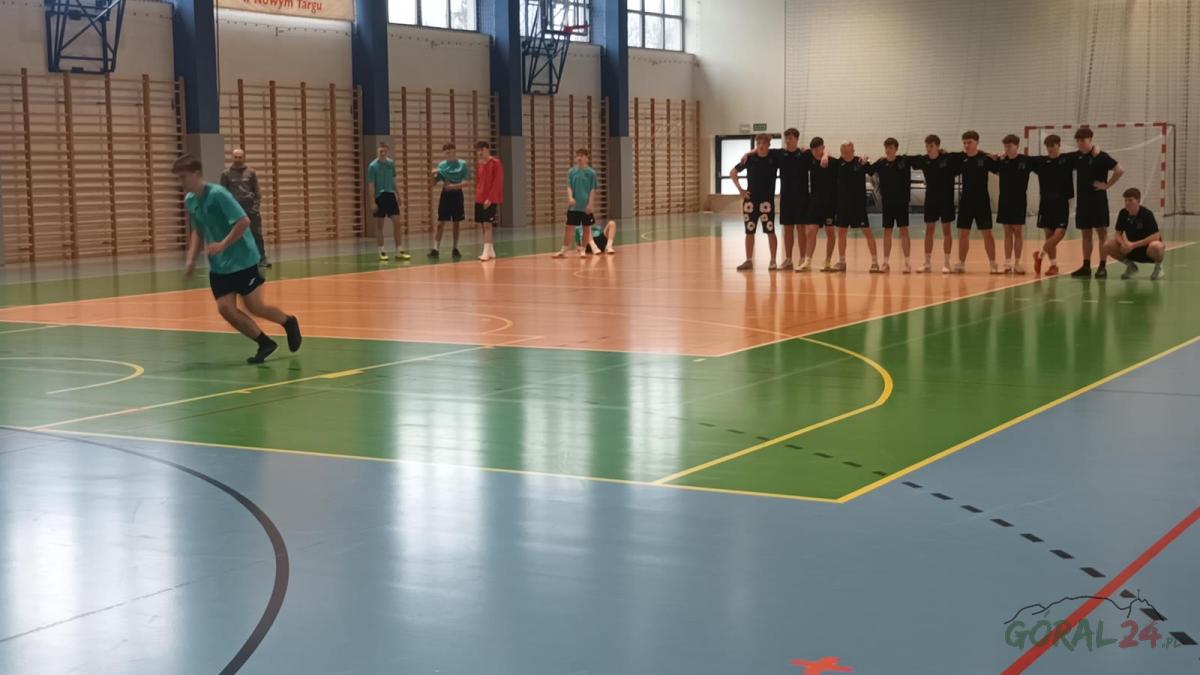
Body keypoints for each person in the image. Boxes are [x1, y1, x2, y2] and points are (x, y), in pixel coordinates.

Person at [175, 155, 301, 364]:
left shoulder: (218, 195)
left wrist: (223, 244)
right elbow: (198, 230)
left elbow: (243, 221)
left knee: (255, 307)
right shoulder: (190, 200)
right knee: (225, 309)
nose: (180, 182)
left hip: (243, 260)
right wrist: (191, 260)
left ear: (196, 174)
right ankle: (265, 343)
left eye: (183, 177)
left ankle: (288, 322)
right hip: (219, 266)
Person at [1069, 127, 1124, 278]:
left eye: (1083, 140)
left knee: (1102, 234)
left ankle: (1102, 266)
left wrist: (1107, 185)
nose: (1080, 143)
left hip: (1098, 201)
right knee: (1085, 234)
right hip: (1083, 202)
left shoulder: (1101, 156)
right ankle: (1086, 266)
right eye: (1078, 141)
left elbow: (1119, 170)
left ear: (1090, 139)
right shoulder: (1077, 157)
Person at [730, 133, 781, 270]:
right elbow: (733, 173)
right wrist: (741, 190)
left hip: (766, 203)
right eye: (758, 144)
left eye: (763, 143)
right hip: (750, 202)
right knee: (749, 231)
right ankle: (748, 260)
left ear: (769, 145)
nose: (761, 146)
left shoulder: (774, 158)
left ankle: (773, 260)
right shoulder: (749, 159)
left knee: (770, 230)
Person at [949, 130, 998, 274]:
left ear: (977, 142)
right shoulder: (961, 159)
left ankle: (993, 264)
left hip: (982, 201)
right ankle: (961, 263)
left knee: (987, 233)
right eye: (964, 142)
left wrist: (997, 157)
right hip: (966, 201)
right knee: (963, 233)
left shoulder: (985, 159)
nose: (966, 145)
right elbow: (947, 156)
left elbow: (999, 168)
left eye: (969, 142)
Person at [908, 135, 957, 273]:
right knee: (929, 230)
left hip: (946, 200)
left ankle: (947, 263)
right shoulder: (924, 160)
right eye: (927, 146)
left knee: (947, 231)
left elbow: (965, 155)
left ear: (938, 146)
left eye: (931, 146)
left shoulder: (947, 158)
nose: (928, 149)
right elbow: (905, 159)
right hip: (931, 200)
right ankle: (927, 262)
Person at [828, 141, 879, 272]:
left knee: (867, 232)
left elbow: (873, 170)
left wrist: (867, 159)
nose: (846, 154)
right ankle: (842, 262)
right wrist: (824, 155)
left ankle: (875, 262)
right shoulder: (837, 164)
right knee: (842, 233)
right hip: (842, 206)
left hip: (858, 206)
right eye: (843, 151)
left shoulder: (860, 162)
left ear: (853, 151)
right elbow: (825, 154)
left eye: (848, 151)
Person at [989, 134, 1035, 274]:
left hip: (1019, 201)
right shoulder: (1002, 161)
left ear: (1017, 146)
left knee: (1018, 231)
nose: (1007, 149)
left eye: (1010, 146)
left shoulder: (1025, 161)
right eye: (1005, 146)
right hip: (1005, 200)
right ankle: (1008, 263)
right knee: (1007, 231)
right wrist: (993, 157)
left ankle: (1018, 263)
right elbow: (989, 164)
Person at [866, 138, 913, 273]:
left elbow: (921, 159)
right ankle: (886, 263)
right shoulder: (881, 163)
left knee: (904, 230)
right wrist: (864, 160)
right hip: (887, 203)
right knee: (887, 231)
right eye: (886, 147)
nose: (888, 150)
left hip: (902, 202)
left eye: (891, 147)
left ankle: (907, 263)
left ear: (896, 149)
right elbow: (868, 169)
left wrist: (941, 152)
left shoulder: (904, 161)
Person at [1030, 134, 1074, 276]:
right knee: (1049, 235)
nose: (1050, 149)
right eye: (1048, 146)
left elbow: (1083, 154)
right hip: (1046, 204)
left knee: (1059, 234)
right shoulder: (1041, 161)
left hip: (1062, 203)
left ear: (1058, 145)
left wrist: (1095, 148)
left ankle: (1039, 255)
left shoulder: (1067, 159)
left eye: (1052, 146)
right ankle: (1053, 266)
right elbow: (1022, 159)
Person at [220, 148, 268, 268]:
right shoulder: (226, 174)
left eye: (240, 157)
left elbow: (257, 191)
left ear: (244, 158)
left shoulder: (251, 172)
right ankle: (235, 260)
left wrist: (255, 207)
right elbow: (223, 193)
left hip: (250, 207)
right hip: (235, 208)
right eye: (235, 157)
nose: (237, 159)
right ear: (232, 158)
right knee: (234, 235)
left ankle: (262, 258)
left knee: (256, 233)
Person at [1105, 187, 1165, 280]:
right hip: (1131, 249)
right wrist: (1123, 244)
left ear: (1138, 201)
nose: (1127, 203)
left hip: (1147, 250)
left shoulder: (1146, 214)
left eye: (1130, 200)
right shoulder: (1123, 213)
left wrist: (1133, 245)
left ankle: (1158, 267)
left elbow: (1156, 236)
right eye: (1125, 200)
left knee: (1157, 246)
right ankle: (1131, 266)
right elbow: (1118, 233)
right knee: (1107, 245)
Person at [367, 144, 409, 262]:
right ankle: (382, 251)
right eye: (381, 151)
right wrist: (372, 202)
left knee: (397, 222)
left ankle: (399, 250)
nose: (383, 153)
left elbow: (393, 180)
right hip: (379, 196)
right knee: (379, 225)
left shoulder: (391, 163)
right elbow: (371, 185)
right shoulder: (372, 166)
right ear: (378, 151)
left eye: (385, 151)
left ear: (387, 151)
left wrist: (398, 194)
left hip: (390, 195)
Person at [556, 148, 600, 258]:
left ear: (586, 158)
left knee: (586, 228)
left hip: (586, 206)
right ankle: (563, 250)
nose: (579, 158)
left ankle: (583, 250)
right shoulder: (571, 172)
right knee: (568, 227)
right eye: (577, 156)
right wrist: (570, 198)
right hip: (574, 207)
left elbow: (592, 190)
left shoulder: (591, 173)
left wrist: (591, 204)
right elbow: (569, 187)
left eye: (581, 156)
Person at [430, 143, 469, 260]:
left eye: (449, 151)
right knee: (441, 223)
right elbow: (433, 183)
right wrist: (432, 175)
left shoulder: (462, 164)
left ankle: (455, 248)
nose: (447, 153)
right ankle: (435, 249)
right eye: (445, 151)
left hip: (457, 194)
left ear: (454, 151)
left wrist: (453, 186)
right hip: (445, 195)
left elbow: (466, 182)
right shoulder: (442, 165)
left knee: (456, 222)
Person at [803, 136, 836, 272]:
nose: (816, 152)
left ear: (823, 148)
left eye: (819, 149)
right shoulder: (809, 159)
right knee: (811, 231)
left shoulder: (832, 162)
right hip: (814, 202)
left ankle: (828, 261)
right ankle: (807, 261)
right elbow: (800, 149)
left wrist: (826, 155)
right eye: (814, 149)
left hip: (830, 203)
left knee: (830, 231)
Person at [474, 141, 504, 261]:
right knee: (483, 224)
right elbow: (479, 181)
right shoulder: (480, 164)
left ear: (486, 149)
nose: (479, 153)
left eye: (481, 150)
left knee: (487, 225)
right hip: (480, 198)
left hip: (490, 198)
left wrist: (490, 198)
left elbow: (497, 182)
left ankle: (485, 252)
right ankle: (490, 250)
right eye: (478, 150)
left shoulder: (495, 163)